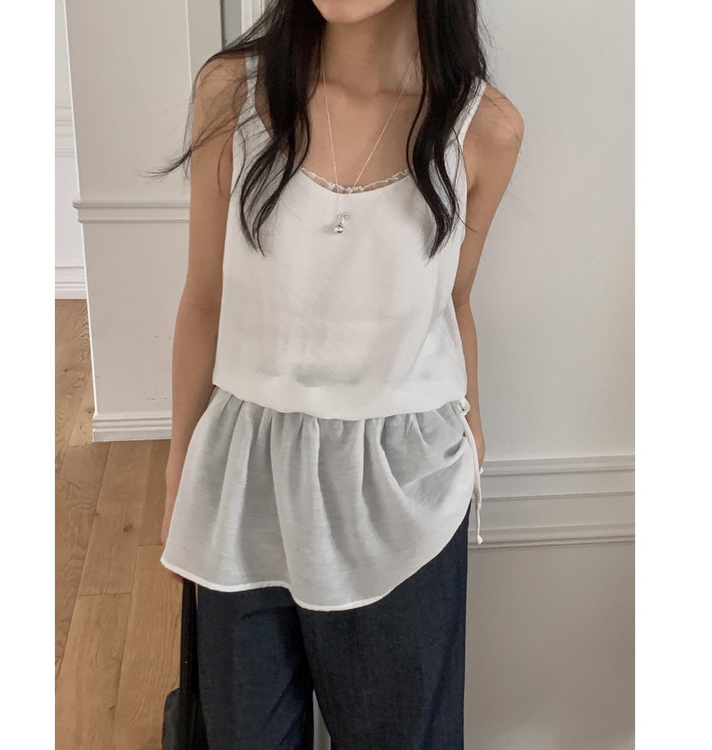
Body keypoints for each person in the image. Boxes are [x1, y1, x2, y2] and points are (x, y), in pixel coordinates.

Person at [156, 0, 523, 747]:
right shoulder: (233, 93)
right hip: (244, 483)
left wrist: (473, 437)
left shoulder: (484, 130)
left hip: (401, 489)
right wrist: (178, 476)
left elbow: (454, 300)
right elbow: (203, 299)